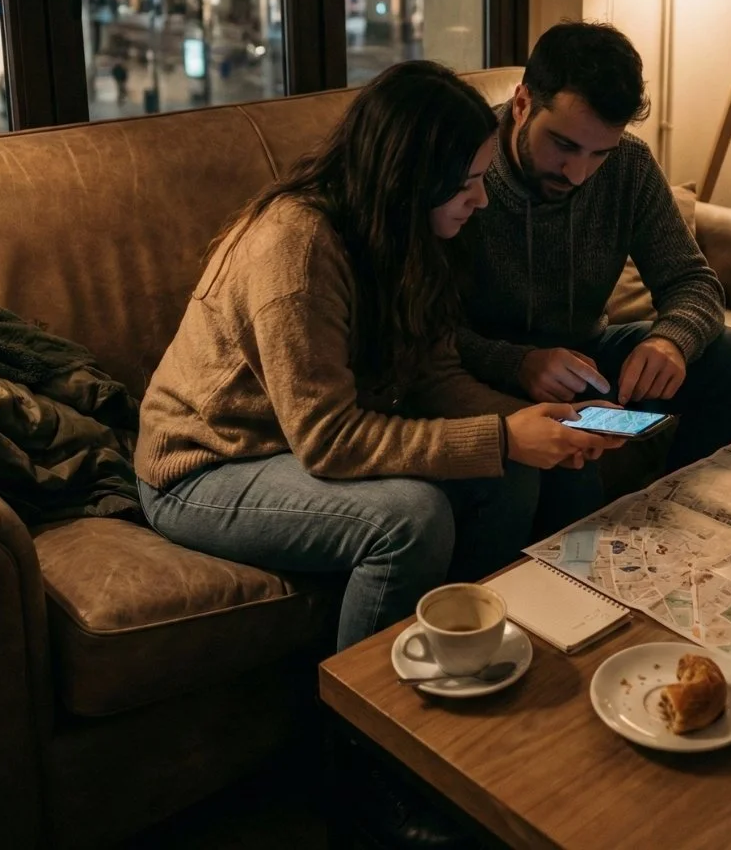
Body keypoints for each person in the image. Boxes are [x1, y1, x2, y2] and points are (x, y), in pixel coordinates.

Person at [135, 59, 620, 652]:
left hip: (294, 442)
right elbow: (328, 438)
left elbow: (434, 373)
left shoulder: (413, 233)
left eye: (482, 177)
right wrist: (501, 436)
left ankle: (473, 655)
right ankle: (365, 731)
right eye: (466, 181)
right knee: (410, 518)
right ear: (411, 177)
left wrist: (536, 427)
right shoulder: (296, 246)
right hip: (209, 461)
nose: (482, 199)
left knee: (516, 472)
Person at [456, 21, 731, 472]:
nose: (578, 174)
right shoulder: (465, 164)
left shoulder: (629, 164)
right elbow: (421, 336)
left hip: (588, 360)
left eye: (599, 153)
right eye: (563, 144)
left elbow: (692, 282)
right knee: (570, 473)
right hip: (485, 376)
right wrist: (517, 363)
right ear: (523, 103)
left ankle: (685, 519)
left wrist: (670, 341)